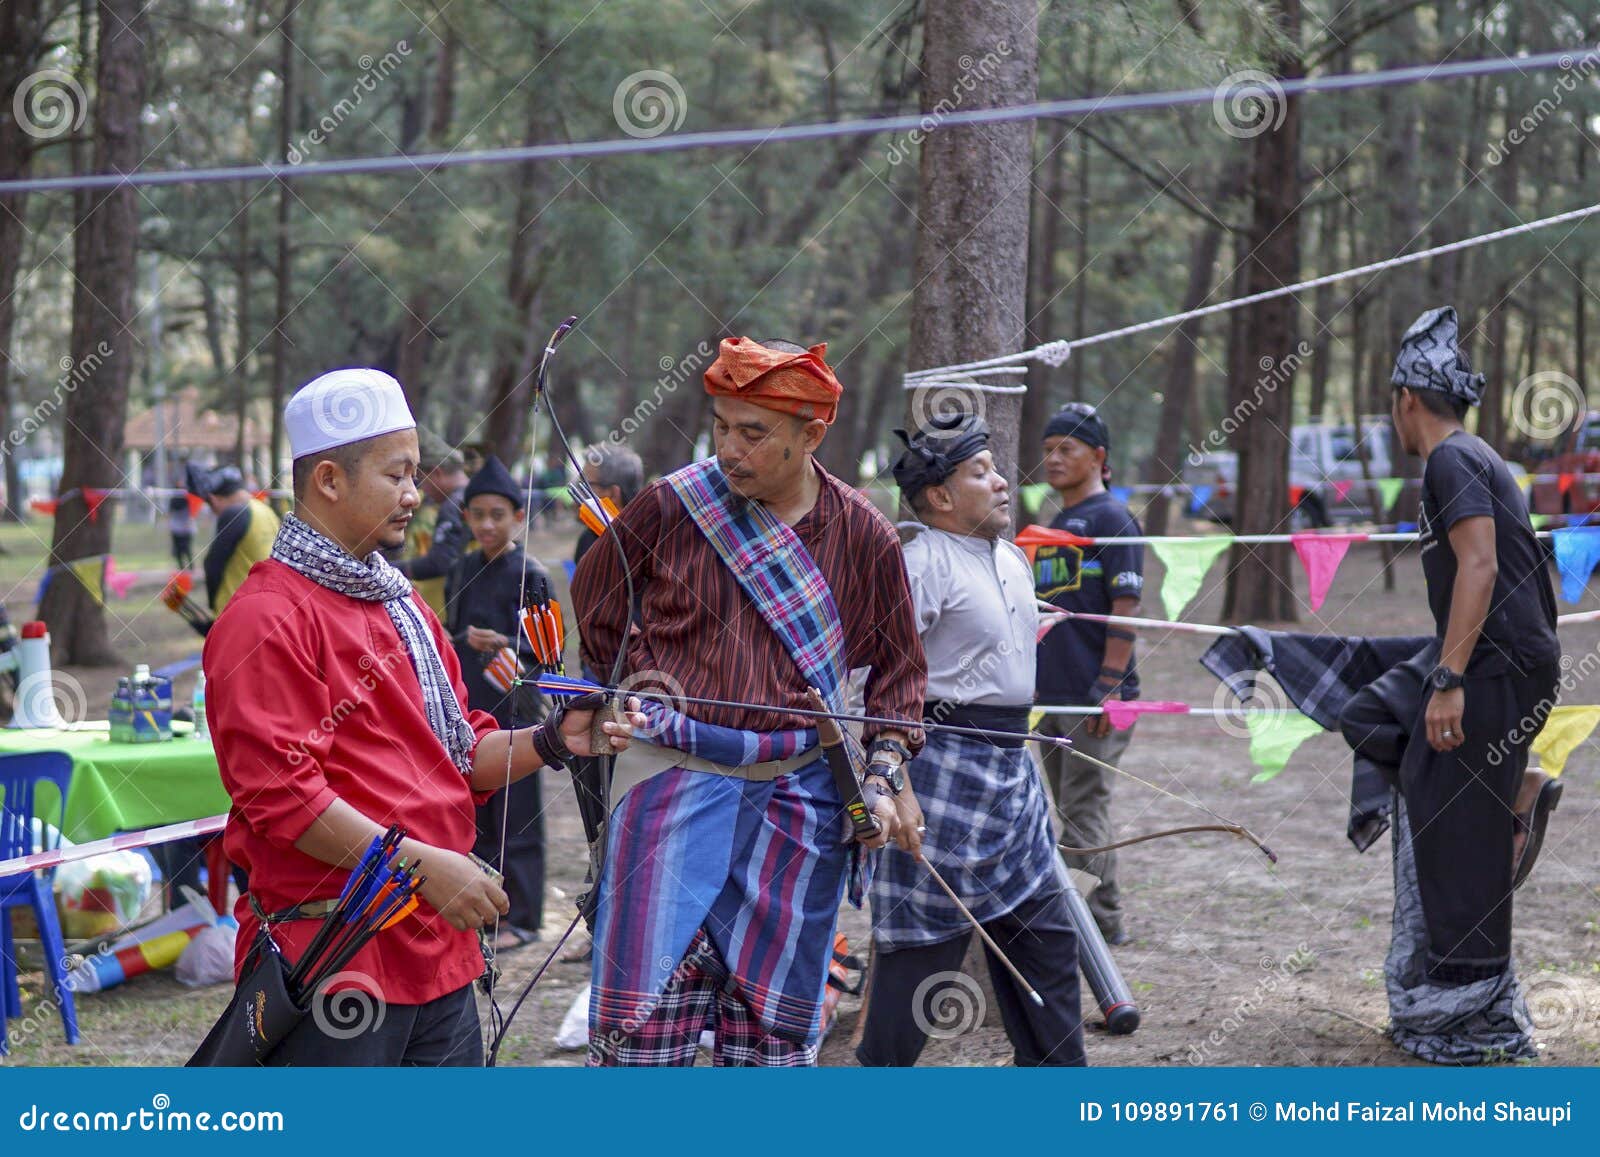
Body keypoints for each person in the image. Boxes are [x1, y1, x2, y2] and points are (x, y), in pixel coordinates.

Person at [202, 367, 641, 1065]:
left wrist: (556, 738)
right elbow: (282, 799)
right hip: (335, 961)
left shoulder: (401, 605)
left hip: (440, 955)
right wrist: (422, 868)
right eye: (397, 474)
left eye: (416, 474)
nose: (416, 495)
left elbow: (461, 755)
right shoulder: (263, 618)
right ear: (329, 481)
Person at [571, 336, 927, 1067]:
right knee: (642, 1030)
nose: (729, 448)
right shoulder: (671, 507)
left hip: (799, 807)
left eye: (753, 432)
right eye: (721, 426)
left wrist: (885, 779)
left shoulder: (865, 536)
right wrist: (617, 693)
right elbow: (599, 604)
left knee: (770, 1038)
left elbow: (898, 677)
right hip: (669, 784)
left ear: (812, 435)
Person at [1338, 307, 1561, 1065]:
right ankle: (1513, 788)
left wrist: (1447, 678)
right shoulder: (1467, 456)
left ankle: (1467, 1002)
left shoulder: (1452, 461)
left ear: (1407, 398)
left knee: (1456, 826)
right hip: (1492, 659)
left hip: (1499, 667)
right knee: (1369, 710)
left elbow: (1481, 566)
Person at [857, 413, 1085, 1067]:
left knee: (1048, 948)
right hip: (938, 780)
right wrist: (889, 782)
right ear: (940, 496)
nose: (1002, 481)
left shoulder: (1011, 557)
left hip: (1013, 782)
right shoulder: (919, 562)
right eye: (980, 472)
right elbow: (872, 677)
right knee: (915, 968)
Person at [1031, 403, 1144, 945]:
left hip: (1098, 698)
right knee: (1072, 811)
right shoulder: (1054, 525)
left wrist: (1111, 685)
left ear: (1098, 457)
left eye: (1066, 449)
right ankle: (1104, 918)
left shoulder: (1113, 519)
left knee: (1081, 812)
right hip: (1053, 697)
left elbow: (1126, 607)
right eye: (1048, 449)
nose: (1053, 459)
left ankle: (1091, 932)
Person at [445, 455, 550, 951]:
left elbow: (548, 650)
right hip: (467, 709)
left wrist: (507, 644)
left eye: (498, 515)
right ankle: (485, 908)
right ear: (466, 517)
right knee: (477, 811)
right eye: (478, 514)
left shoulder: (532, 573)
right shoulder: (461, 568)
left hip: (514, 708)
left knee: (519, 813)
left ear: (518, 518)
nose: (487, 524)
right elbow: (446, 633)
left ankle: (525, 916)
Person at [186, 463, 280, 616]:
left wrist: (212, 605)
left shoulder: (234, 513)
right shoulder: (266, 511)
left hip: (236, 612)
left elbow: (212, 564)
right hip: (265, 609)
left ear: (213, 499)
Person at [393, 431, 469, 619]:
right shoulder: (474, 495)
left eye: (422, 481)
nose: (421, 490)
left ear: (437, 472)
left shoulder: (452, 506)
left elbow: (440, 562)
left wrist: (391, 569)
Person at [574, 442, 645, 566]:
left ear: (613, 493)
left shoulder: (645, 543)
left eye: (585, 485)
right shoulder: (588, 539)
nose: (578, 492)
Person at [168, 488, 195, 571]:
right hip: (177, 529)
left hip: (186, 529)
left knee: (186, 549)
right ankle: (182, 567)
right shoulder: (174, 502)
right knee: (179, 549)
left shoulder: (188, 504)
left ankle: (190, 567)